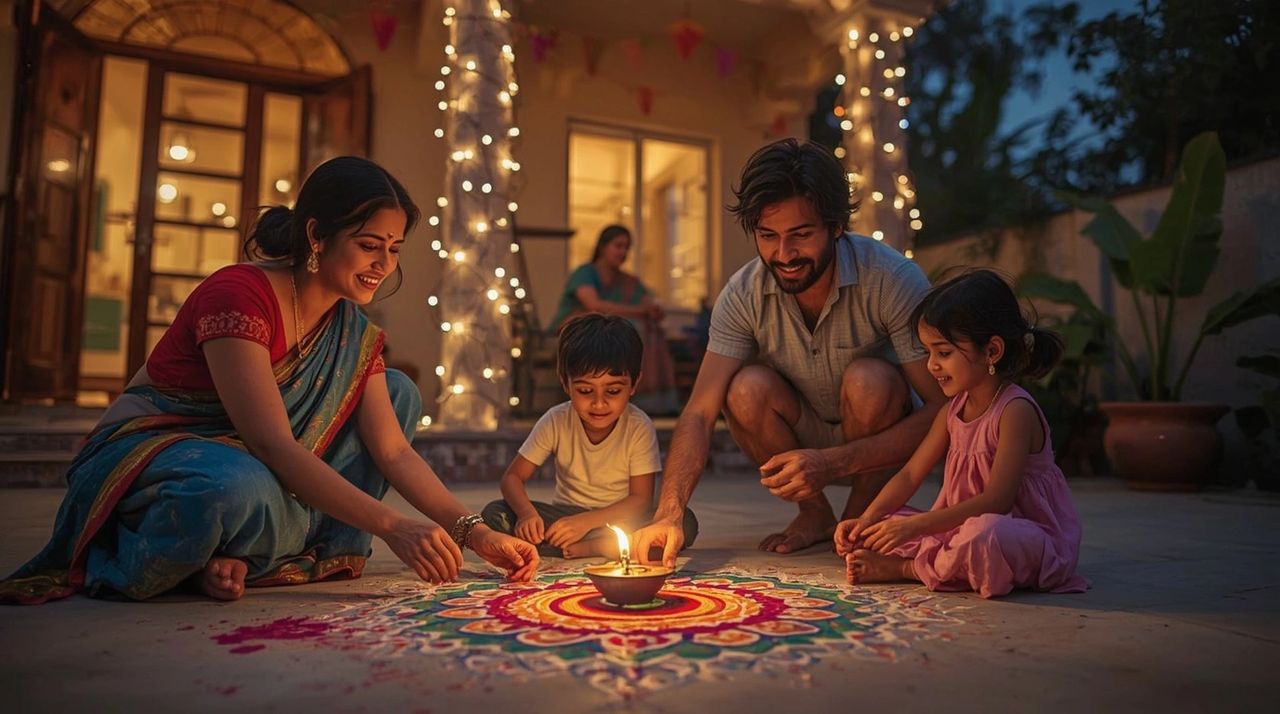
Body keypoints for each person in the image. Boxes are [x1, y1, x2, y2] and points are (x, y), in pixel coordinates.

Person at [1, 156, 538, 605]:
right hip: (166, 454)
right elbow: (272, 444)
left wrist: (476, 533)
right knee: (232, 489)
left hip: (263, 472)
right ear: (316, 235)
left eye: (394, 249)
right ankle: (180, 546)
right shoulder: (239, 295)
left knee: (396, 393)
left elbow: (394, 453)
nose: (383, 263)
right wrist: (393, 526)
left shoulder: (351, 329)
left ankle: (249, 553)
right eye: (369, 244)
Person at [633, 138, 948, 566]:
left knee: (869, 380)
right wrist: (668, 514)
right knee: (742, 388)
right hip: (800, 429)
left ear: (836, 227)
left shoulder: (892, 279)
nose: (783, 255)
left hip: (878, 439)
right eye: (768, 236)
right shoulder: (743, 293)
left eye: (800, 235)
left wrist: (834, 462)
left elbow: (944, 409)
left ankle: (861, 512)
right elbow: (698, 413)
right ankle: (815, 514)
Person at [834, 270, 1089, 598]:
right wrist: (867, 519)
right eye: (928, 353)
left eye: (944, 353)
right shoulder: (952, 411)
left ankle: (909, 569)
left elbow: (997, 502)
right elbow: (911, 474)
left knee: (984, 535)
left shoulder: (1015, 411)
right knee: (889, 525)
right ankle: (941, 558)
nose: (931, 366)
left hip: (1021, 535)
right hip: (960, 526)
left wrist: (915, 527)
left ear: (992, 351)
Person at [481, 313, 698, 558]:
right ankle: (598, 547)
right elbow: (512, 478)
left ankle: (590, 547)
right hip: (565, 517)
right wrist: (526, 514)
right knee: (495, 514)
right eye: (585, 390)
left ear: (634, 384)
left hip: (621, 518)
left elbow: (640, 500)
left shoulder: (638, 426)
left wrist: (586, 523)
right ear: (565, 383)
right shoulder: (556, 420)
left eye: (613, 391)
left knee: (684, 523)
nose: (599, 403)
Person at [550, 225, 679, 414]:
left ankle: (648, 398)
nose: (623, 252)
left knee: (648, 328)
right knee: (633, 328)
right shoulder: (585, 273)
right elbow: (594, 305)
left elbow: (646, 301)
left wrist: (652, 309)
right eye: (618, 246)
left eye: (627, 247)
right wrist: (640, 311)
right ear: (603, 247)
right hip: (577, 331)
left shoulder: (627, 281)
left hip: (609, 332)